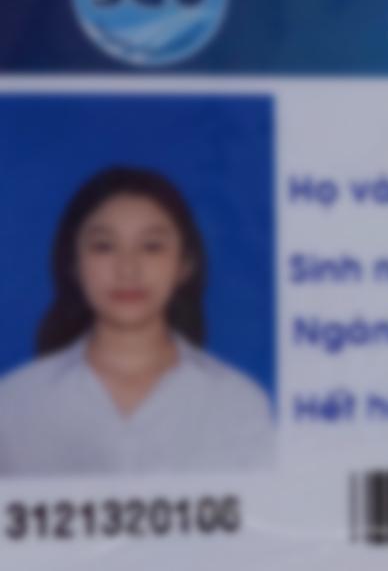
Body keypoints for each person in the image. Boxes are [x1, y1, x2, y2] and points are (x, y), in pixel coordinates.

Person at [0, 166, 273, 475]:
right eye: (104, 246)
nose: (127, 269)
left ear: (185, 264)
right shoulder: (15, 403)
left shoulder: (237, 404)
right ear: (73, 263)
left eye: (151, 246)